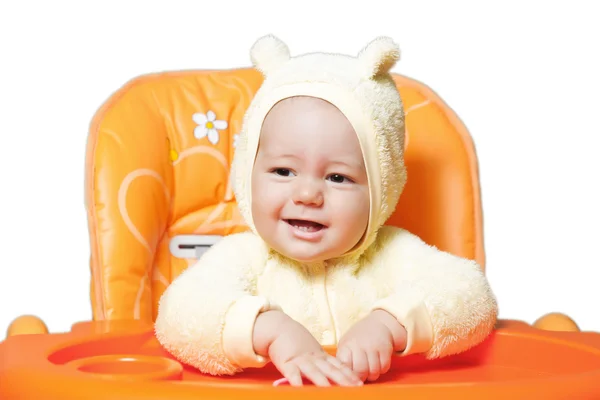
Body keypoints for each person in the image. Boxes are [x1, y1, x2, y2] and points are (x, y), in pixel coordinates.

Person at [154, 35, 498, 387]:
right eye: (283, 171)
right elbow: (178, 316)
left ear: (380, 191)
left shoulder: (392, 253)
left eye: (338, 177)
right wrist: (267, 330)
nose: (307, 194)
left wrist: (388, 324)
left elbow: (472, 297)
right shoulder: (246, 256)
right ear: (248, 175)